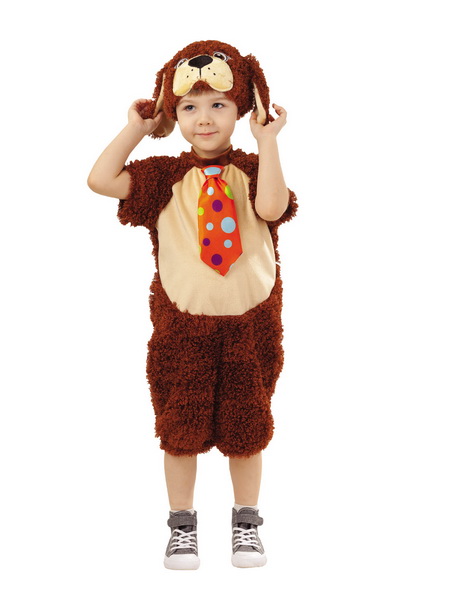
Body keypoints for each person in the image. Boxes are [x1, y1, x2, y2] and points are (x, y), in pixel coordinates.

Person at [87, 41, 297, 570]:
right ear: (173, 112)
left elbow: (274, 207)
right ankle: (182, 527)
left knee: (248, 429)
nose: (204, 119)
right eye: (189, 106)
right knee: (179, 429)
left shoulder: (253, 169)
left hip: (249, 327)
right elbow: (100, 180)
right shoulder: (163, 178)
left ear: (243, 107)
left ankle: (247, 523)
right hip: (183, 330)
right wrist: (138, 128)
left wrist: (268, 141)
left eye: (218, 104)